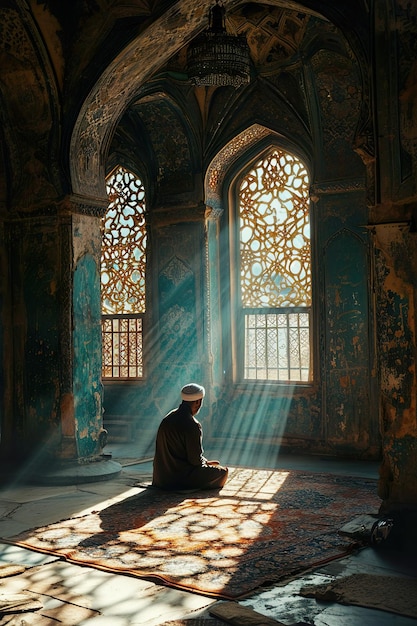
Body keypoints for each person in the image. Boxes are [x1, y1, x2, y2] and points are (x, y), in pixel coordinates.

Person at [152, 383, 228, 491]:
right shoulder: (192, 425)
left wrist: (205, 461)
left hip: (161, 478)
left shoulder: (168, 418)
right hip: (179, 478)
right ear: (198, 402)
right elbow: (195, 461)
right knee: (222, 472)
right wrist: (205, 464)